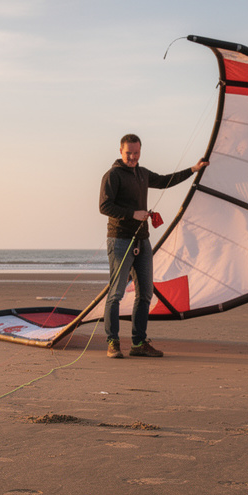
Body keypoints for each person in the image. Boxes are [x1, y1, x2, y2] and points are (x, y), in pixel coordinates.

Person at [98, 133, 207, 358]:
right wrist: (132, 214)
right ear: (120, 151)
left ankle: (138, 344)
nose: (133, 157)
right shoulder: (113, 175)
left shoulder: (143, 174)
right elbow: (104, 206)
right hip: (119, 239)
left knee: (145, 293)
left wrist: (193, 169)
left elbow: (166, 180)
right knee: (116, 293)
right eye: (129, 153)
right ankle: (113, 342)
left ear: (140, 151)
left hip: (142, 240)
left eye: (136, 153)